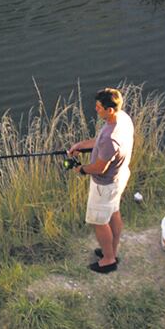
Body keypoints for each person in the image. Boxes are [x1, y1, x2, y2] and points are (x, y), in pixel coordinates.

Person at [68, 87, 134, 274]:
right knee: (113, 212)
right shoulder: (123, 119)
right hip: (120, 176)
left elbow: (99, 167)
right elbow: (100, 142)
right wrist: (81, 145)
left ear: (109, 110)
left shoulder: (110, 138)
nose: (96, 109)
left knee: (99, 221)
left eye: (99, 107)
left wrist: (81, 169)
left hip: (105, 186)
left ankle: (108, 259)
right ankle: (111, 250)